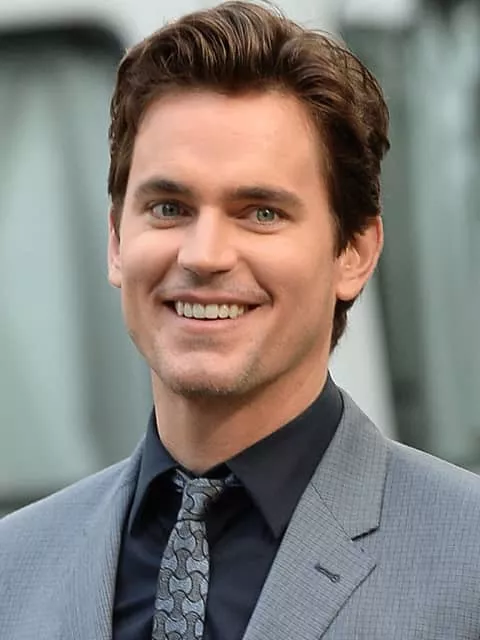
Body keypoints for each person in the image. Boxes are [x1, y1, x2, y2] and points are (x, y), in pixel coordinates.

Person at [2, 2, 480, 638]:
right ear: (116, 241)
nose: (204, 256)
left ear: (354, 253)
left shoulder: (467, 562)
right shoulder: (13, 570)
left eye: (261, 213)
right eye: (169, 207)